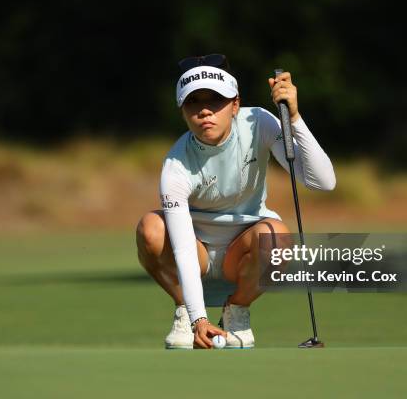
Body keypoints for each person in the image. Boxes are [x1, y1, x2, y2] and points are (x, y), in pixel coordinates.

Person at [136, 54, 336, 349]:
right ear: (182, 111)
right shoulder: (175, 165)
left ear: (235, 104)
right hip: (196, 249)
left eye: (215, 101)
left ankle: (236, 311)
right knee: (151, 229)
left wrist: (293, 118)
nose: (205, 111)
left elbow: (323, 181)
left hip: (245, 248)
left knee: (277, 236)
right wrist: (197, 318)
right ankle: (184, 313)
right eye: (194, 103)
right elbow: (181, 248)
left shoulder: (259, 123)